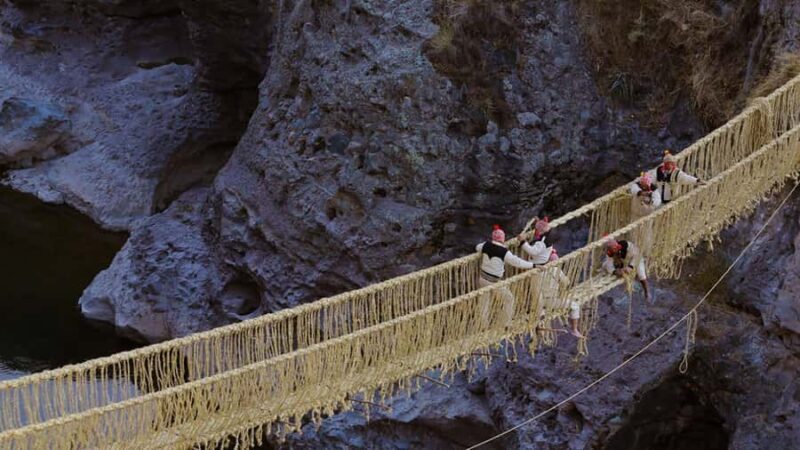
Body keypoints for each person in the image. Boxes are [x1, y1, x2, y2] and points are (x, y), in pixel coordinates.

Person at [476, 225, 534, 326]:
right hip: (494, 282)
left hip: (482, 278)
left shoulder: (486, 245)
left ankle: (483, 324)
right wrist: (533, 265)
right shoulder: (504, 252)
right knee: (509, 299)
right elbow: (517, 262)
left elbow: (477, 247)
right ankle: (505, 323)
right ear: (503, 239)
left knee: (484, 301)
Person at [632, 150, 705, 204]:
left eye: (671, 163)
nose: (669, 165)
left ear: (673, 164)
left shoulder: (677, 173)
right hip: (658, 200)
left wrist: (697, 181)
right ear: (664, 164)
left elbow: (686, 178)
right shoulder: (659, 170)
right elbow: (651, 179)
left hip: (671, 201)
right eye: (667, 163)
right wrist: (645, 183)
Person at [602, 236, 651, 302]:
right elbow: (608, 264)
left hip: (635, 258)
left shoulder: (628, 246)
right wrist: (615, 271)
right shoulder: (610, 252)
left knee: (641, 274)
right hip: (622, 261)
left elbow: (637, 255)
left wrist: (630, 266)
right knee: (611, 269)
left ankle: (647, 291)